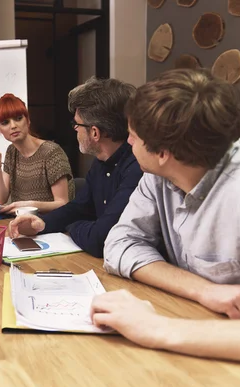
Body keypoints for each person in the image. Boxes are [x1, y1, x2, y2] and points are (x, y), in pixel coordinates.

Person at [92, 68, 240, 366]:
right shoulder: (159, 176)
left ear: (163, 152)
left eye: (133, 136)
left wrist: (155, 328)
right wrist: (205, 290)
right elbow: (119, 244)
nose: (128, 143)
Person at [8, 77, 142, 258]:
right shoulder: (101, 161)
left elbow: (99, 239)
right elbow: (79, 208)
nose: (75, 129)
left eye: (76, 124)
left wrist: (72, 226)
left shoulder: (137, 169)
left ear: (94, 132)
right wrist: (41, 223)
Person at [0, 93, 73, 214]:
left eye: (18, 118)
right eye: (5, 122)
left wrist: (29, 205)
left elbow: (63, 203)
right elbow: (1, 199)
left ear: (28, 120)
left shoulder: (51, 152)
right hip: (22, 224)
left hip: (51, 225)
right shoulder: (11, 151)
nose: (13, 126)